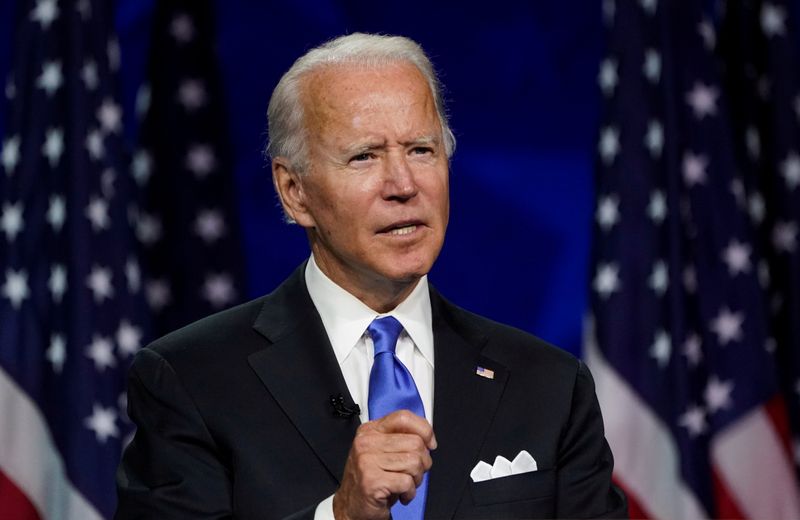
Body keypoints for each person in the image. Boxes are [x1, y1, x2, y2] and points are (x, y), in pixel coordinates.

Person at [115, 33, 627, 520]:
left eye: (421, 150)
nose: (403, 185)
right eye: (364, 156)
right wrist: (340, 514)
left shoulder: (549, 386)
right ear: (294, 191)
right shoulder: (191, 379)